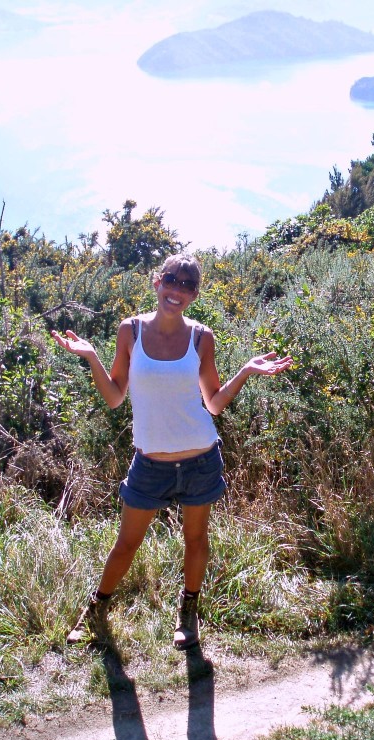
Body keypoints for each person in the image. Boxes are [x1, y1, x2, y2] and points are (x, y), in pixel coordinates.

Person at [51, 254, 292, 649]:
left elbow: (213, 403)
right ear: (157, 282)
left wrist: (245, 371)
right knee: (126, 544)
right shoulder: (130, 331)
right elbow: (114, 397)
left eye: (187, 285)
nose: (176, 290)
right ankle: (96, 608)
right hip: (150, 463)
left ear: (194, 295)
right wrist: (91, 356)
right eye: (171, 280)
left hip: (199, 458)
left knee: (195, 540)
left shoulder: (202, 337)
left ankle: (188, 612)